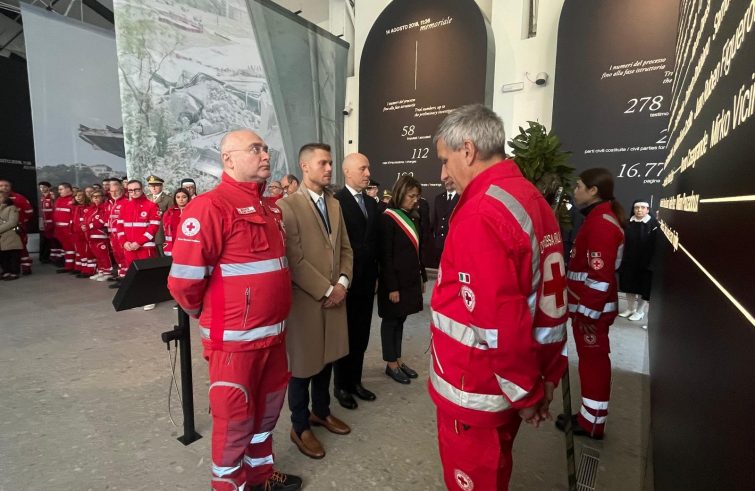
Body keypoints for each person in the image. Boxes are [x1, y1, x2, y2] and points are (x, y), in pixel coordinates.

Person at [429, 104, 568, 490]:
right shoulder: (528, 198)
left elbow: (497, 320)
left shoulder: (481, 212)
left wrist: (526, 394)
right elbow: (547, 303)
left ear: (468, 150)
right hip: (508, 380)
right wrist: (546, 376)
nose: (443, 174)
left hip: (476, 386)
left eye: (445, 160)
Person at [168, 129, 301, 491]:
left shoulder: (270, 208)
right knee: (234, 422)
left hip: (274, 340)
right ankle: (229, 485)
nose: (265, 155)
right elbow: (183, 283)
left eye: (266, 149)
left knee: (267, 415)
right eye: (255, 149)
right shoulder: (209, 207)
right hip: (234, 346)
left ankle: (259, 477)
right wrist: (210, 317)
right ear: (228, 159)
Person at [276, 143, 353, 460]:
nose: (329, 168)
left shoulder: (334, 204)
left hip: (335, 297)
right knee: (303, 366)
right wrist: (327, 290)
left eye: (331, 163)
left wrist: (343, 283)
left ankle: (321, 411)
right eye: (323, 163)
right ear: (304, 166)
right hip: (307, 301)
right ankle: (299, 425)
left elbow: (345, 248)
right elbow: (293, 258)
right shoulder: (287, 206)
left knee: (327, 358)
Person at [556, 168, 626, 440]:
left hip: (592, 313)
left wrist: (587, 312)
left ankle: (593, 423)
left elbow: (600, 275)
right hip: (586, 309)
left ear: (593, 191)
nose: (575, 191)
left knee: (593, 364)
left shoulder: (601, 224)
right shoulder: (597, 218)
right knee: (588, 363)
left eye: (579, 186)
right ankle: (589, 415)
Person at [332, 153, 379, 409]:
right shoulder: (336, 203)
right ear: (347, 172)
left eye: (368, 168)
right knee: (345, 335)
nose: (368, 173)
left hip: (367, 282)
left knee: (361, 334)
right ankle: (341, 386)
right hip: (346, 282)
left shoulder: (371, 203)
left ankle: (356, 382)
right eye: (363, 168)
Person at [378, 175, 427, 385]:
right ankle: (390, 364)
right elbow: (385, 257)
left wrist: (422, 277)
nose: (415, 200)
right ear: (400, 194)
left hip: (409, 280)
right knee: (391, 321)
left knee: (401, 320)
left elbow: (417, 252)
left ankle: (397, 359)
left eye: (417, 196)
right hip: (394, 283)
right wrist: (392, 287)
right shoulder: (388, 218)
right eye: (411, 196)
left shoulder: (413, 217)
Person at [115, 180, 160, 310]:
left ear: (142, 189)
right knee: (133, 274)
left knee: (148, 274)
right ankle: (139, 297)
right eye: (130, 190)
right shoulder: (125, 206)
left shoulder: (151, 206)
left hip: (145, 247)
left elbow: (153, 228)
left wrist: (139, 242)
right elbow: (119, 227)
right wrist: (124, 242)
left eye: (136, 189)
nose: (134, 192)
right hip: (129, 247)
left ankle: (150, 298)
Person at [618, 199, 658, 324]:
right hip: (629, 260)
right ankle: (630, 308)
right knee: (628, 286)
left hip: (645, 263)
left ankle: (640, 312)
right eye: (637, 207)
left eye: (642, 207)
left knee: (642, 289)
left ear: (648, 210)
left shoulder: (654, 224)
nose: (639, 210)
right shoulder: (627, 223)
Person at [0, 179, 33, 275]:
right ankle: (7, 269)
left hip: (16, 228)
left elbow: (29, 212)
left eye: (6, 185)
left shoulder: (19, 198)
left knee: (20, 246)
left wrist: (22, 223)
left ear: (10, 187)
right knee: (4, 250)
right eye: (1, 186)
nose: (4, 187)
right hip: (2, 230)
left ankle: (26, 267)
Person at [430, 177, 459, 267]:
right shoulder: (438, 198)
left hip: (453, 245)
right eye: (445, 180)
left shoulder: (461, 197)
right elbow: (435, 221)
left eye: (449, 179)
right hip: (439, 245)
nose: (447, 182)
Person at [85, 190, 113, 281]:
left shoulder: (105, 207)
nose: (96, 198)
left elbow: (103, 221)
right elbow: (87, 220)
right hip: (91, 235)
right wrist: (85, 225)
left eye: (98, 196)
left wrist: (90, 225)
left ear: (103, 197)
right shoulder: (92, 208)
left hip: (101, 235)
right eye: (94, 197)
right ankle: (101, 271)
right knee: (97, 255)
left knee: (103, 255)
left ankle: (107, 272)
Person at [107, 179, 128, 285]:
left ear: (121, 190)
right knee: (117, 254)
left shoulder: (125, 202)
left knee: (124, 255)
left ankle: (126, 277)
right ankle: (121, 274)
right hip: (112, 234)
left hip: (122, 234)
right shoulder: (111, 203)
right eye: (112, 191)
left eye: (116, 191)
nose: (114, 193)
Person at [71, 190, 96, 277]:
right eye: (76, 196)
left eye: (80, 195)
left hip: (85, 233)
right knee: (80, 251)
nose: (77, 197)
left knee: (87, 252)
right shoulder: (75, 207)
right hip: (76, 233)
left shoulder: (89, 207)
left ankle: (90, 270)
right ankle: (82, 268)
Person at [146, 175, 173, 255]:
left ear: (161, 186)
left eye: (156, 186)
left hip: (160, 232)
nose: (153, 188)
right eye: (151, 186)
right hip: (148, 231)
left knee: (162, 255)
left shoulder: (168, 199)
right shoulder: (147, 198)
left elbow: (171, 217)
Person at [0, 189, 23, 281]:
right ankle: (6, 271)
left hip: (11, 235)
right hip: (1, 238)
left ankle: (14, 272)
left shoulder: (12, 208)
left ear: (5, 198)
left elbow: (12, 222)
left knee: (13, 255)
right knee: (3, 256)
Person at [53, 182, 76, 273]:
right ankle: (68, 266)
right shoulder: (58, 199)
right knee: (67, 248)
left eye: (61, 189)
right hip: (60, 229)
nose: (59, 191)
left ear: (68, 189)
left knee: (73, 248)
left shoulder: (73, 199)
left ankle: (75, 266)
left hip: (69, 229)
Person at [161, 188, 191, 256]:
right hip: (173, 245)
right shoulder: (169, 212)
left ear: (188, 198)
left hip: (189, 244)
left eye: (184, 197)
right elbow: (165, 230)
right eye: (178, 197)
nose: (181, 199)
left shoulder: (193, 211)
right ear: (175, 198)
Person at [38, 181, 58, 264]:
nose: (42, 189)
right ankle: (43, 257)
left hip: (51, 224)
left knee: (50, 241)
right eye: (40, 187)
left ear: (49, 188)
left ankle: (50, 257)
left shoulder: (52, 198)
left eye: (44, 187)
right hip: (43, 223)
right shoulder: (42, 198)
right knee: (43, 240)